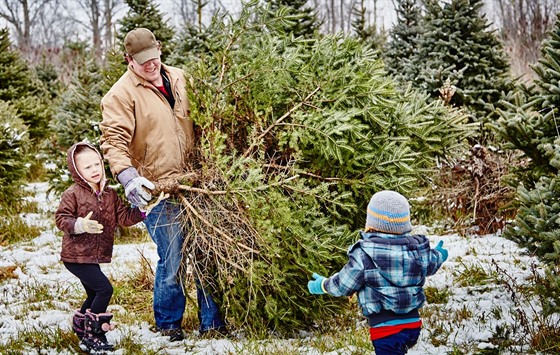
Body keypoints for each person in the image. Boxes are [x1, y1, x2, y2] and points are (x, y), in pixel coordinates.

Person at [99, 27, 226, 341]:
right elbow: (113, 141)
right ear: (129, 60)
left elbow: (205, 119)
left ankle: (212, 322)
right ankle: (169, 323)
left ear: (159, 51)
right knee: (173, 255)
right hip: (156, 189)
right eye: (143, 62)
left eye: (153, 57)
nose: (150, 65)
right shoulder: (120, 95)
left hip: (196, 182)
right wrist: (129, 178)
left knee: (206, 251)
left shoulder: (181, 78)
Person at [307, 190, 448, 355]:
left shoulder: (364, 253)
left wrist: (323, 285)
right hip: (413, 325)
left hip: (385, 329)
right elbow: (431, 263)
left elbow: (344, 285)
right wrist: (439, 254)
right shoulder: (417, 249)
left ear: (371, 223)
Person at [55, 142, 147, 353]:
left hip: (93, 256)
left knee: (93, 294)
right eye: (87, 167)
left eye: (97, 164)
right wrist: (79, 225)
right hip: (75, 256)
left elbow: (123, 217)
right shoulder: (73, 193)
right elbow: (61, 218)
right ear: (77, 170)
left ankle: (81, 326)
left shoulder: (109, 194)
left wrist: (142, 210)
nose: (95, 169)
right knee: (104, 289)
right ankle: (94, 335)